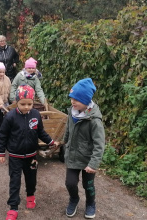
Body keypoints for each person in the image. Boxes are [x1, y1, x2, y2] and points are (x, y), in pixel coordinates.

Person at [0, 84, 58, 220]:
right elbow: (2, 136)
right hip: (15, 156)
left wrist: (50, 142)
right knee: (15, 181)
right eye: (23, 104)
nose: (26, 107)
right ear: (16, 102)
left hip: (31, 155)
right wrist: (1, 153)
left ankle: (30, 195)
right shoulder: (10, 116)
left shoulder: (36, 114)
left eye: (29, 104)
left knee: (31, 179)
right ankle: (13, 207)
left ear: (33, 103)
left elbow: (40, 131)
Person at [62, 78, 105, 219]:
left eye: (77, 99)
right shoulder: (72, 112)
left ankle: (91, 203)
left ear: (86, 101)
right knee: (70, 183)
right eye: (72, 98)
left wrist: (93, 164)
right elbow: (68, 129)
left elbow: (99, 144)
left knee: (89, 185)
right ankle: (74, 199)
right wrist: (64, 142)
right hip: (73, 155)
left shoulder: (94, 120)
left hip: (87, 159)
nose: (73, 102)